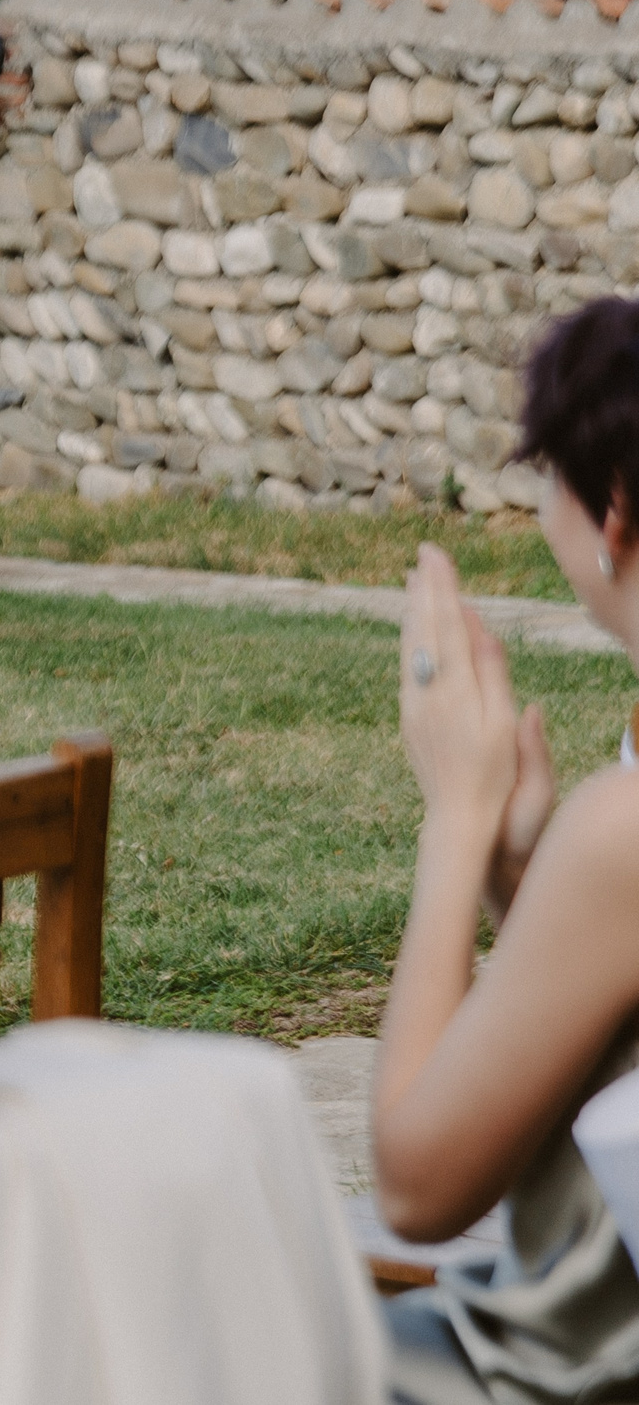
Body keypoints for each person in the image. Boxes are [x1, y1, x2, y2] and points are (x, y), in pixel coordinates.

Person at [374, 295, 639, 1403]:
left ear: (613, 514)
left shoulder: (622, 831)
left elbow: (414, 1184)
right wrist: (524, 892)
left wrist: (456, 815)